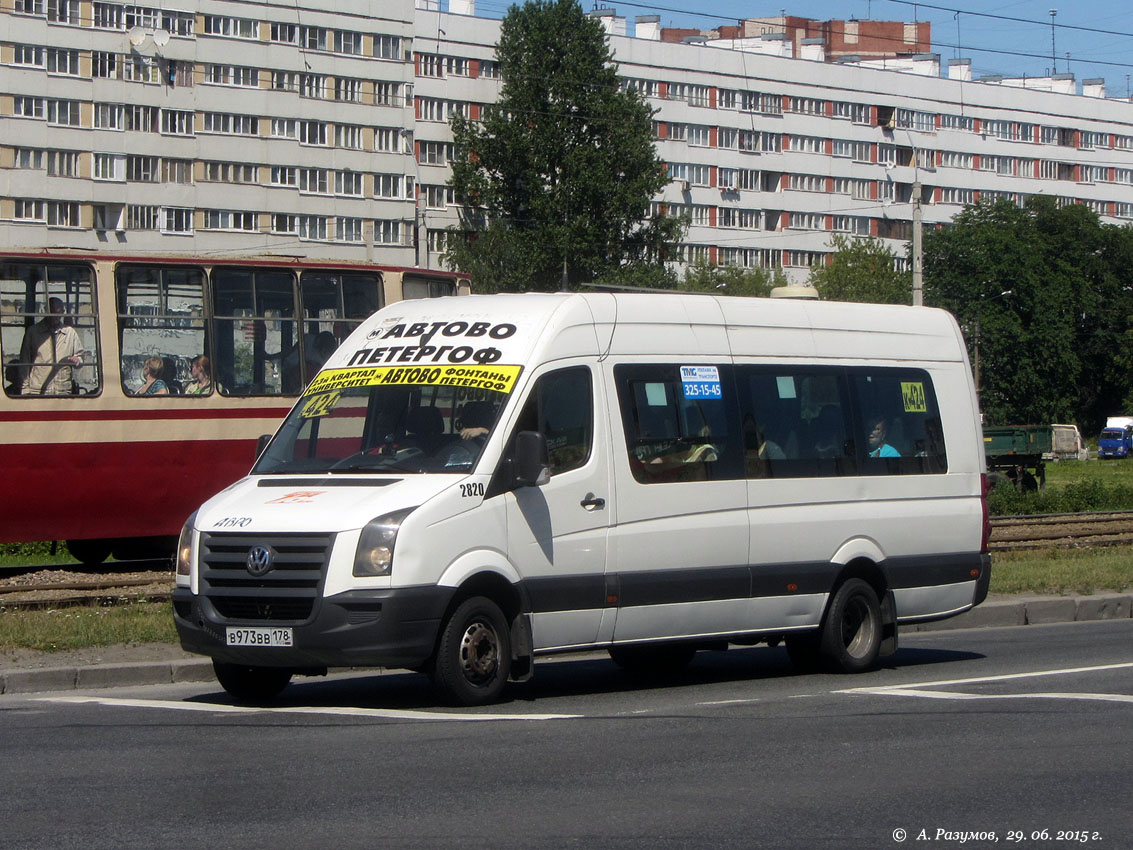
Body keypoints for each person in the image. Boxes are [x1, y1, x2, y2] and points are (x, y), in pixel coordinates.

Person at [18, 297, 82, 395]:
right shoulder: (33, 332)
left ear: (63, 312)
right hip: (38, 390)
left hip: (63, 391)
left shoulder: (70, 333)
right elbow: (24, 362)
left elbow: (80, 357)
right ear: (46, 311)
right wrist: (25, 389)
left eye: (59, 313)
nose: (56, 317)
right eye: (53, 313)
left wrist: (78, 360)